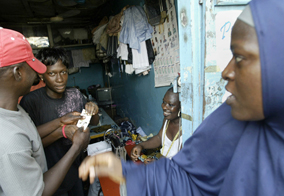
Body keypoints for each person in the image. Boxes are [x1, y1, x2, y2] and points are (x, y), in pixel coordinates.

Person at [78, 0, 284, 196]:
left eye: (240, 57)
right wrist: (126, 171)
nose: (226, 72)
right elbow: (187, 179)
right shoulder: (231, 119)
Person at [0, 27, 89, 196]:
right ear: (18, 73)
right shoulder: (7, 145)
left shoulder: (6, 110)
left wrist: (60, 122)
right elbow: (38, 192)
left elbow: (31, 136)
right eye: (32, 66)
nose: (37, 74)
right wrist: (76, 147)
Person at [20, 48, 99, 195]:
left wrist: (94, 110)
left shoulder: (75, 94)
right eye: (52, 74)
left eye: (63, 72)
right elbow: (30, 144)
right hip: (49, 174)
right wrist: (62, 132)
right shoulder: (31, 102)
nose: (60, 79)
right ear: (41, 75)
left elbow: (94, 122)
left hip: (75, 169)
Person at [131, 87, 182, 163]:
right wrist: (141, 145)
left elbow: (183, 164)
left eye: (170, 105)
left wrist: (157, 165)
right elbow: (159, 138)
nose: (164, 107)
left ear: (182, 107)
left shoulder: (187, 130)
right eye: (164, 102)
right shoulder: (167, 120)